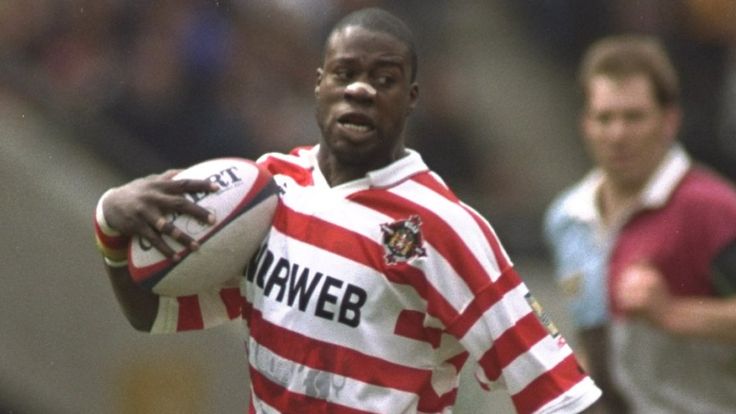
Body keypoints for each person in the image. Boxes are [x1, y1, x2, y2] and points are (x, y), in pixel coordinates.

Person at [94, 8, 602, 413]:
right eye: (345, 72)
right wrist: (110, 224)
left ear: (411, 99)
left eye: (384, 79)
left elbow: (560, 394)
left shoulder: (447, 229)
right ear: (319, 84)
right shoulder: (268, 192)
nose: (360, 89)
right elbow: (154, 314)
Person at [544, 34, 736, 414]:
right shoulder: (567, 218)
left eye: (633, 117)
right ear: (585, 122)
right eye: (605, 117)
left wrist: (671, 313)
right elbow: (596, 335)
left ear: (669, 120)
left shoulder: (711, 208)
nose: (617, 134)